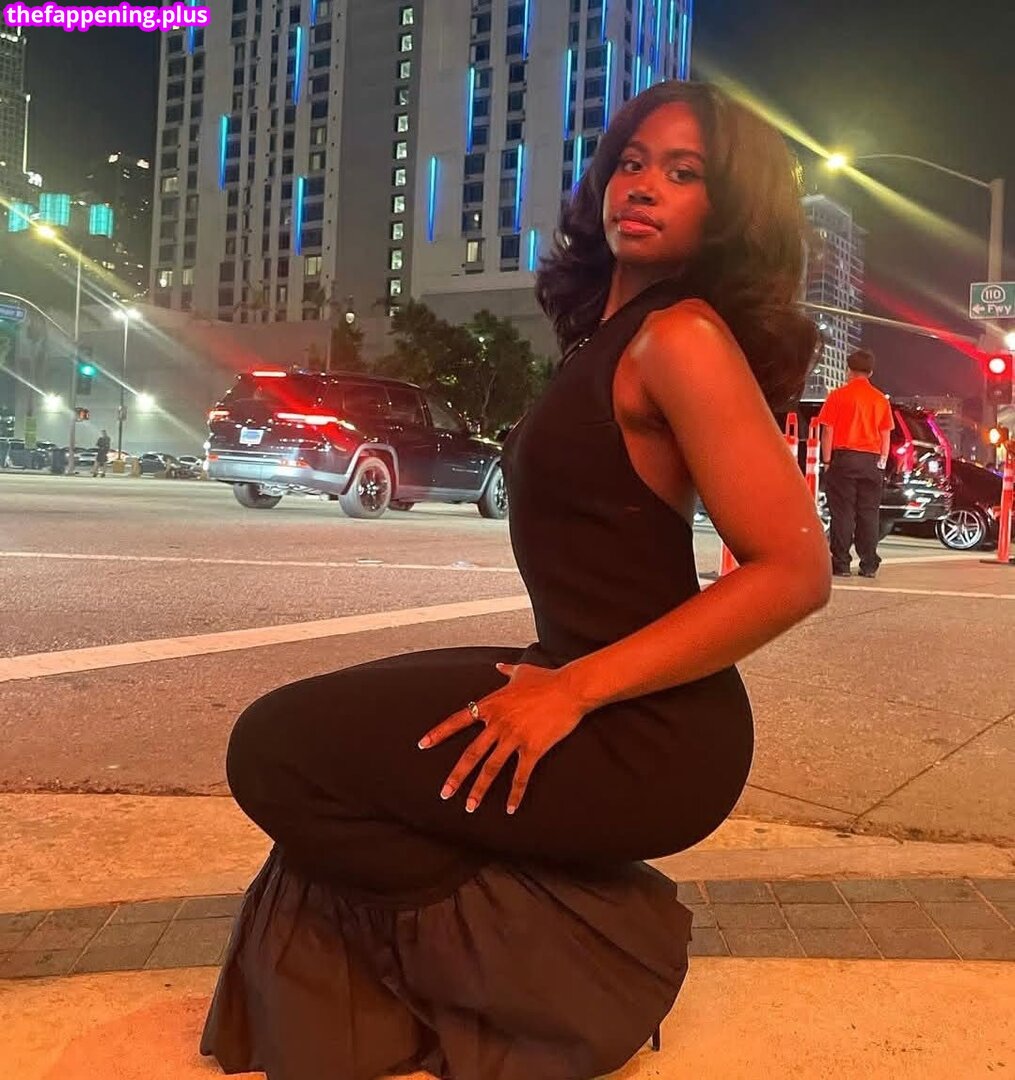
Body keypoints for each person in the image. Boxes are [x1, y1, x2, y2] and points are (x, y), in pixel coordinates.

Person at [202, 81, 831, 1080]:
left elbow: (795, 571)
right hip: (581, 679)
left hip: (648, 733)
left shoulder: (682, 339)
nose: (643, 186)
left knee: (280, 753)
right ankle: (493, 957)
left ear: (731, 208)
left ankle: (581, 970)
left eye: (683, 173)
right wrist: (559, 677)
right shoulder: (608, 338)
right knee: (306, 741)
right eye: (631, 162)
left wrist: (572, 691)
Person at [817, 349, 895, 578]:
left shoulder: (837, 396)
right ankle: (869, 564)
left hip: (844, 460)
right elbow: (885, 434)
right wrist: (882, 460)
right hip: (871, 461)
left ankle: (841, 564)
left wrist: (827, 461)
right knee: (869, 514)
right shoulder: (880, 400)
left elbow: (827, 431)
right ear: (870, 372)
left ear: (848, 370)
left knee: (842, 513)